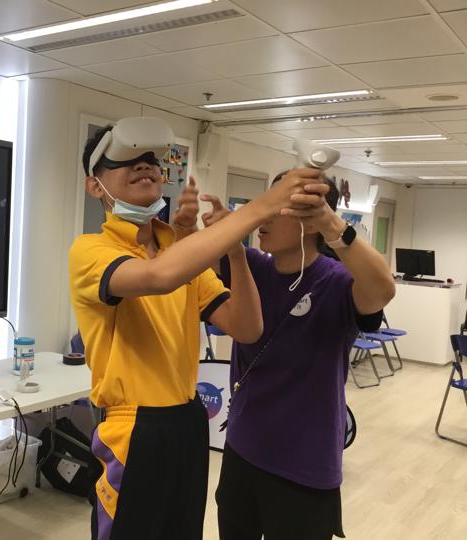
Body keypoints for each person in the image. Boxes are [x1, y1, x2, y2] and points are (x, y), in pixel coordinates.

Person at [68, 117, 330, 540]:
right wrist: (260, 208)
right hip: (134, 429)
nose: (144, 165)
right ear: (95, 186)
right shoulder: (90, 250)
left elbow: (247, 327)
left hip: (188, 422)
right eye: (125, 161)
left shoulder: (179, 253)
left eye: (151, 159)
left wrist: (235, 252)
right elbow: (157, 278)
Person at [199, 172, 395, 540]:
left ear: (311, 221)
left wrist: (331, 223)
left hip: (303, 467)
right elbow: (191, 261)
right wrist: (218, 229)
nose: (264, 217)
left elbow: (383, 289)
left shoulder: (336, 282)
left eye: (278, 208)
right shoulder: (250, 266)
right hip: (242, 449)